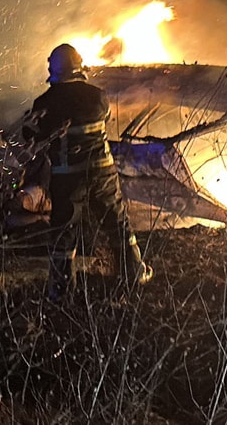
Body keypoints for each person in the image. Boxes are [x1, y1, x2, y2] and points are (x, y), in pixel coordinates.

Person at [22, 43, 152, 300]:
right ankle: (134, 272)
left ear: (53, 70)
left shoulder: (44, 102)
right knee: (117, 222)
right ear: (78, 65)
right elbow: (104, 118)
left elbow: (33, 135)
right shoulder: (98, 96)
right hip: (102, 173)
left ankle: (60, 289)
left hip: (67, 179)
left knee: (64, 230)